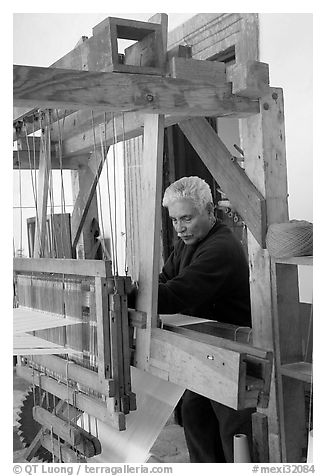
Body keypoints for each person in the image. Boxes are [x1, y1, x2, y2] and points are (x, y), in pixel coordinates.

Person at [157, 176, 255, 463]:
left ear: (210, 211)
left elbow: (178, 292)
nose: (179, 227)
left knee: (232, 432)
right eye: (174, 220)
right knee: (194, 415)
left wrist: (132, 293)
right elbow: (165, 279)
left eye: (186, 218)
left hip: (232, 355)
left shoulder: (220, 248)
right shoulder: (187, 243)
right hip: (204, 350)